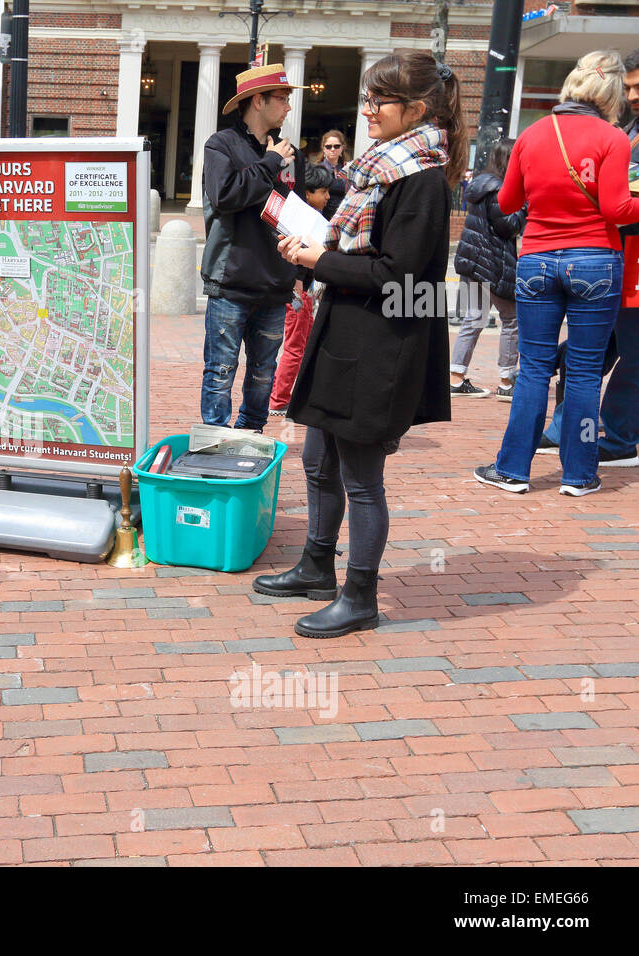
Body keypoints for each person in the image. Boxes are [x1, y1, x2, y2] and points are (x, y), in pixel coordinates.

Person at [255, 51, 466, 638]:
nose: (367, 110)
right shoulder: (381, 166)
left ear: (416, 110)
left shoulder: (419, 178)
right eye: (367, 99)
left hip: (380, 346)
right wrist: (313, 248)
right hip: (345, 331)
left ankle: (361, 595)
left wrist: (321, 259)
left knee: (361, 478)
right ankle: (317, 567)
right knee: (318, 458)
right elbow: (362, 255)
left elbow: (400, 276)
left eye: (380, 101)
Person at [475, 50, 639, 496]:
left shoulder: (532, 134)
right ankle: (579, 475)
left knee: (533, 370)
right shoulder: (613, 138)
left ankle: (512, 470)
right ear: (608, 95)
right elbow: (617, 209)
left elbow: (507, 203)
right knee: (586, 374)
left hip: (538, 261)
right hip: (595, 261)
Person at [538, 48, 639, 468]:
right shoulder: (625, 130)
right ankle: (569, 428)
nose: (632, 94)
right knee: (585, 353)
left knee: (627, 357)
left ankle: (618, 440)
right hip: (613, 258)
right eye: (628, 86)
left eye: (637, 87)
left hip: (628, 263)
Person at [199, 63, 307, 432]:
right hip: (231, 281)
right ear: (258, 100)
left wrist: (301, 272)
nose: (288, 107)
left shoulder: (291, 154)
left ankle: (251, 436)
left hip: (276, 285)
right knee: (220, 371)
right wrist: (271, 162)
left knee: (264, 374)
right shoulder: (221, 145)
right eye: (282, 98)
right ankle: (214, 440)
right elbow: (226, 195)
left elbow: (298, 213)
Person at [449, 138, 524, 400]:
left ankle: (456, 378)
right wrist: (524, 206)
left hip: (473, 260)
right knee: (512, 319)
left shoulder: (481, 184)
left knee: (474, 318)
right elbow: (508, 226)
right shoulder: (499, 189)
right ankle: (506, 381)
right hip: (491, 263)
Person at [269, 163, 334, 415]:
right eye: (323, 192)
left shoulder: (309, 218)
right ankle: (279, 400)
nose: (327, 197)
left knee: (298, 345)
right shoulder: (301, 221)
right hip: (298, 293)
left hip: (302, 291)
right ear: (308, 193)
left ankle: (280, 396)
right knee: (295, 347)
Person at [318, 130, 350, 219]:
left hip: (344, 217)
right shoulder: (318, 170)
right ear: (324, 148)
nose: (332, 149)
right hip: (324, 217)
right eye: (328, 146)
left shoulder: (348, 169)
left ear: (342, 148)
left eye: (336, 146)